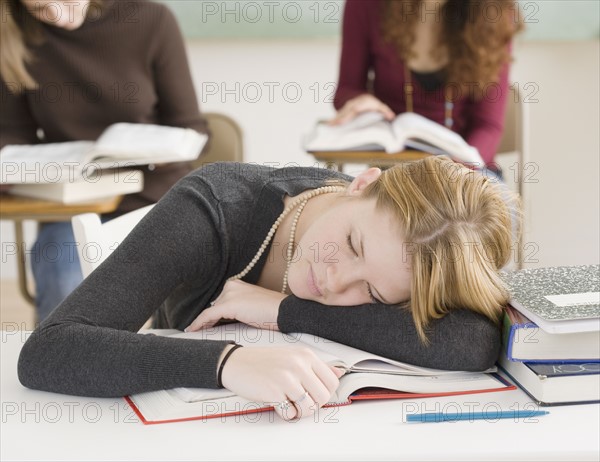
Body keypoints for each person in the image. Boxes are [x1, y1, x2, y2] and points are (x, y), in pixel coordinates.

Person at [18, 157, 519, 421]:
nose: (334, 280)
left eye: (374, 293)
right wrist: (228, 362)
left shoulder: (405, 255)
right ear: (362, 184)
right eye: (351, 243)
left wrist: (285, 311)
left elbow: (475, 340)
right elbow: (50, 349)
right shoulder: (211, 207)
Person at [0, 0, 208, 321]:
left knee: (182, 284)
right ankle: (62, 368)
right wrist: (11, 164)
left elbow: (191, 128)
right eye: (40, 9)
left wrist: (149, 150)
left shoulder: (151, 20)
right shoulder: (13, 31)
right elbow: (14, 133)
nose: (57, 16)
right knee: (62, 274)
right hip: (74, 204)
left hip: (155, 197)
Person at [332, 0, 523, 169]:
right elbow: (345, 91)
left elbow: (488, 126)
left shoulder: (495, 15)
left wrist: (457, 171)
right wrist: (361, 100)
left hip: (468, 174)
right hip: (393, 171)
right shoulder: (364, 5)